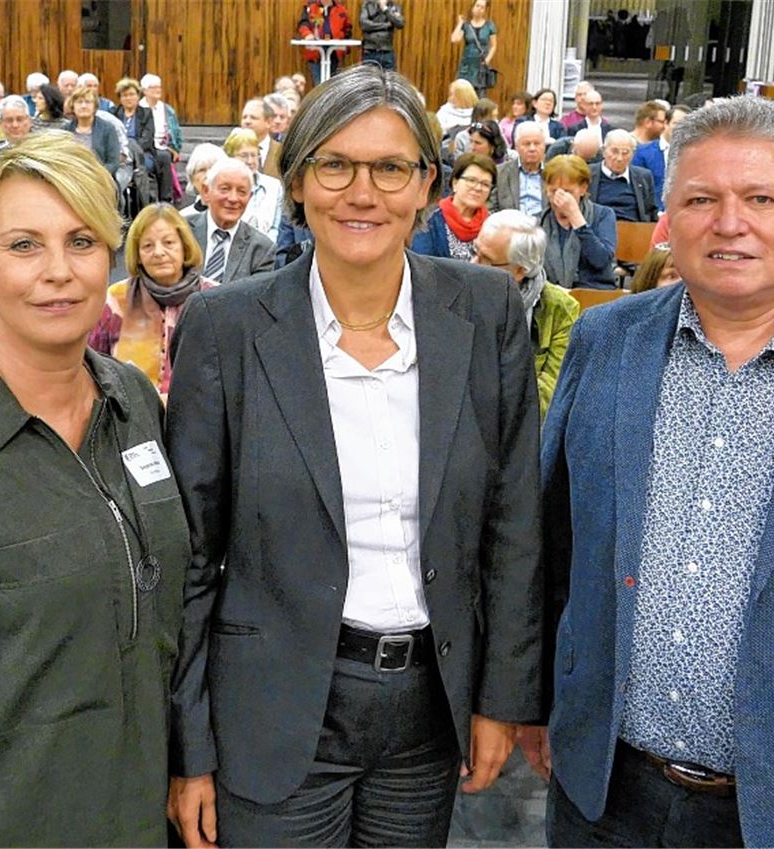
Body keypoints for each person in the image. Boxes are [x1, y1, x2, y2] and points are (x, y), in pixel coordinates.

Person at [165, 63, 542, 849]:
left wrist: (501, 697)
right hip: (272, 708)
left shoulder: (485, 313)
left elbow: (514, 524)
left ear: (426, 185)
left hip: (427, 714)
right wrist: (188, 748)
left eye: (389, 167)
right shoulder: (226, 329)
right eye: (333, 164)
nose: (361, 192)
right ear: (297, 181)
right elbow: (191, 557)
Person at [538, 95, 774, 849]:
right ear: (670, 221)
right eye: (702, 199)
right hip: (603, 793)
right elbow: (548, 543)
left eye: (761, 198)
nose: (730, 221)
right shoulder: (606, 339)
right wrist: (539, 702)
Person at [0, 131, 190, 847]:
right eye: (24, 245)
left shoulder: (135, 402)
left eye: (82, 241)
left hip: (147, 817)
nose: (59, 270)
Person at [89, 203, 219, 399]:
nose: (159, 252)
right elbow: (93, 366)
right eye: (148, 245)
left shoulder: (213, 299)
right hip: (131, 417)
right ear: (138, 254)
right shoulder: (116, 299)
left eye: (168, 243)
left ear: (185, 247)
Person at [474, 209, 580, 418]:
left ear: (520, 270)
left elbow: (551, 392)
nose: (473, 264)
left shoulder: (561, 309)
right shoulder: (458, 294)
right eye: (474, 251)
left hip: (524, 430)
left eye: (486, 260)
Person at [186, 157, 275, 284]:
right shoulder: (182, 231)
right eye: (225, 189)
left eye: (242, 192)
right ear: (206, 192)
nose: (233, 198)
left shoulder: (261, 248)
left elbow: (256, 299)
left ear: (249, 198)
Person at [539, 154, 617, 289]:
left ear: (583, 189)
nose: (559, 198)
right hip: (551, 295)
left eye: (567, 192)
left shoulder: (603, 215)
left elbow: (601, 261)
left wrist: (576, 218)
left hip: (593, 292)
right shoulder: (538, 221)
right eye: (553, 191)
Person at [411, 151, 496, 260]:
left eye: (485, 184)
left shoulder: (493, 225)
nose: (478, 188)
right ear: (455, 183)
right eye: (471, 180)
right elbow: (422, 264)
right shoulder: (430, 220)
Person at [222, 127, 284, 242]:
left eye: (254, 155)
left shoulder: (274, 186)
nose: (250, 161)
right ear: (230, 158)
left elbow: (277, 227)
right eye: (244, 156)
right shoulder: (223, 189)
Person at [588, 129, 658, 222]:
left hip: (635, 231)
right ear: (604, 151)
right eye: (614, 151)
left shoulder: (643, 177)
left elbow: (651, 212)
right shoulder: (588, 174)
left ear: (632, 154)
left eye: (625, 153)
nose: (619, 158)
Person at [140, 73, 182, 203]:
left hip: (164, 147)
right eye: (153, 87)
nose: (157, 90)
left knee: (164, 156)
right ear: (145, 91)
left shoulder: (167, 110)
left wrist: (175, 149)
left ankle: (166, 199)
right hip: (144, 147)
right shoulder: (139, 109)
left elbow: (176, 133)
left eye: (159, 87)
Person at [490, 121, 547, 215]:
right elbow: (491, 209)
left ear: (544, 146)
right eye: (526, 144)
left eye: (537, 143)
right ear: (516, 147)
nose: (532, 149)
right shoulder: (499, 173)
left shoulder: (554, 173)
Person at [65, 85, 120, 177]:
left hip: (100, 179)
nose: (83, 106)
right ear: (73, 106)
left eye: (88, 102)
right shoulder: (65, 129)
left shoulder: (108, 129)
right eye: (79, 102)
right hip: (72, 179)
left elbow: (113, 163)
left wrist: (95, 175)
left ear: (95, 106)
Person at [297, 0, 354, 85]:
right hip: (316, 52)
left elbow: (348, 29)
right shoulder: (310, 7)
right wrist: (307, 34)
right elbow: (303, 24)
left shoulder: (341, 9)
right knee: (319, 84)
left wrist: (345, 48)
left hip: (334, 52)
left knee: (331, 85)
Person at [452, 0, 497, 97]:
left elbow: (493, 46)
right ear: (472, 7)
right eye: (477, 6)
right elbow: (454, 39)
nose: (479, 9)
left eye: (482, 7)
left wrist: (487, 60)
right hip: (467, 64)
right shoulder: (466, 25)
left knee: (479, 95)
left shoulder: (489, 25)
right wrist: (460, 23)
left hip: (481, 64)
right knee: (463, 93)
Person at [180, 142, 225, 219]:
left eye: (213, 168)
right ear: (192, 178)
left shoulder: (239, 215)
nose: (208, 175)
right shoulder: (182, 218)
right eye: (202, 170)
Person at [242, 97, 283, 179]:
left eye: (253, 118)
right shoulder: (230, 152)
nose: (247, 121)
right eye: (244, 117)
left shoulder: (282, 151)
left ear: (268, 122)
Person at [360, 0, 404, 70]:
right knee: (368, 79)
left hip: (387, 51)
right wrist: (386, 25)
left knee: (389, 79)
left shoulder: (394, 6)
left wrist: (385, 9)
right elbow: (364, 25)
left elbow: (400, 24)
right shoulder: (368, 4)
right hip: (370, 51)